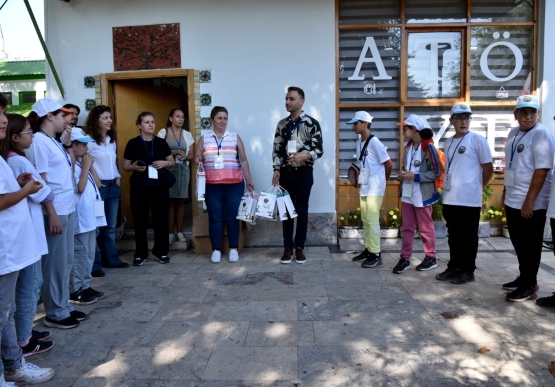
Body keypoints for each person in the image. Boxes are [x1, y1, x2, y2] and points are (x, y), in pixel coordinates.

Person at [0, 95, 55, 385]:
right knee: (6, 309)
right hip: (7, 247)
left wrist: (21, 186)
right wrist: (27, 189)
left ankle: (13, 364)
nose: (2, 118)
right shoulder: (13, 158)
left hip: (17, 244)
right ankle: (16, 354)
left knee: (6, 311)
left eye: (3, 113)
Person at [29, 98, 88, 329]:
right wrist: (51, 213)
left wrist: (66, 144)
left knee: (66, 261)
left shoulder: (53, 141)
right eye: (63, 115)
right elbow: (42, 182)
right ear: (50, 116)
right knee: (55, 262)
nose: (68, 119)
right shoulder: (38, 143)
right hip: (56, 211)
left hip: (67, 206)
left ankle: (63, 304)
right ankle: (54, 311)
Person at [502, 95, 554, 302]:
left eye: (532, 112)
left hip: (531, 202)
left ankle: (529, 285)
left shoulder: (541, 135)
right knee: (518, 243)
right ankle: (524, 277)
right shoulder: (514, 133)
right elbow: (512, 165)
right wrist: (506, 190)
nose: (528, 116)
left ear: (537, 114)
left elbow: (542, 170)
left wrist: (530, 200)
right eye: (524, 112)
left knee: (530, 245)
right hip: (513, 198)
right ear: (516, 114)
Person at [435, 104, 493, 285]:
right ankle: (454, 266)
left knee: (468, 236)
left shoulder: (477, 140)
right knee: (454, 235)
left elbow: (488, 168)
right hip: (451, 196)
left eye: (466, 118)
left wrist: (477, 187)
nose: (463, 122)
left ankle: (468, 270)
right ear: (451, 120)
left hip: (469, 199)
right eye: (459, 118)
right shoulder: (448, 142)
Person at [195, 106, 255, 264]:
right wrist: (198, 161)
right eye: (219, 118)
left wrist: (249, 179)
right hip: (212, 185)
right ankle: (216, 249)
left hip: (234, 184)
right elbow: (197, 158)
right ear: (212, 120)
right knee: (215, 218)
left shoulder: (235, 137)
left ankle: (233, 248)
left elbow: (243, 160)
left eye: (225, 118)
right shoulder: (204, 139)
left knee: (232, 217)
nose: (223, 121)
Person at [272, 87, 324, 264]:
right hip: (286, 173)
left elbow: (319, 150)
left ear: (302, 102)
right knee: (286, 212)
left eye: (292, 99)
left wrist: (304, 156)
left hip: (304, 173)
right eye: (286, 98)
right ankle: (287, 248)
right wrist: (277, 170)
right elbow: (277, 150)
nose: (288, 102)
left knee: (301, 211)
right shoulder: (281, 124)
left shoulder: (312, 123)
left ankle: (300, 248)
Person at [123, 112, 175, 266]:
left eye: (152, 121)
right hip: (140, 187)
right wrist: (132, 167)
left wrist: (166, 164)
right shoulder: (132, 143)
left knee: (161, 220)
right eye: (147, 122)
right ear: (139, 125)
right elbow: (125, 166)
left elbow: (171, 161)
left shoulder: (161, 142)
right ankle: (140, 254)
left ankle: (161, 252)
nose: (151, 124)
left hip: (159, 186)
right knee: (140, 220)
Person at [84, 105, 128, 277]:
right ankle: (95, 264)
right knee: (95, 227)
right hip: (98, 187)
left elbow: (112, 162)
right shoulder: (88, 140)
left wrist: (117, 176)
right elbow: (84, 160)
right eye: (105, 118)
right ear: (96, 120)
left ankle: (112, 259)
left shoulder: (111, 140)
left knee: (110, 226)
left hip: (112, 185)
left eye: (110, 117)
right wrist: (95, 177)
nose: (109, 120)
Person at [395, 114, 440, 274]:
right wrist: (402, 174)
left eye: (404, 128)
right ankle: (405, 258)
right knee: (406, 227)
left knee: (425, 227)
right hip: (407, 192)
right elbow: (406, 166)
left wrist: (415, 176)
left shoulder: (428, 147)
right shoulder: (408, 147)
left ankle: (431, 257)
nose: (402, 131)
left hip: (422, 194)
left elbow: (436, 172)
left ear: (414, 129)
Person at [348, 111, 392, 268]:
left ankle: (376, 253)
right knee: (366, 219)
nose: (353, 126)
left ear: (365, 123)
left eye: (355, 123)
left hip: (375, 188)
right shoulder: (359, 142)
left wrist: (385, 180)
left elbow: (388, 163)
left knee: (372, 220)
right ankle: (368, 249)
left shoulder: (375, 142)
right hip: (365, 187)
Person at [69, 127, 107, 306]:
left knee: (90, 252)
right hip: (80, 219)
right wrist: (85, 168)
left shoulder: (82, 164)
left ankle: (85, 284)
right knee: (80, 253)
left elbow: (98, 184)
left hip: (91, 217)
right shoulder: (72, 165)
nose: (87, 149)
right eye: (83, 146)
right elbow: (80, 188)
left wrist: (90, 167)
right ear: (73, 145)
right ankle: (75, 289)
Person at [157, 108, 194, 244]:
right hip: (168, 169)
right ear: (171, 118)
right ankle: (170, 233)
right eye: (177, 116)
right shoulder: (163, 132)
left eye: (182, 117)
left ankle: (180, 232)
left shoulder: (187, 135)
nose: (180, 119)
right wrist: (171, 154)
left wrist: (185, 156)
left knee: (180, 202)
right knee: (169, 202)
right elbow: (158, 151)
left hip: (183, 169)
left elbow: (192, 155)